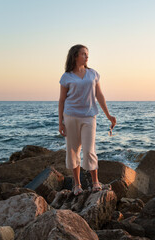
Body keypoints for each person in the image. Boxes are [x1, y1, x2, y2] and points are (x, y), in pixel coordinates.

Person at [58, 44, 116, 195]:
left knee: (89, 150)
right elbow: (62, 100)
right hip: (70, 116)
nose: (86, 56)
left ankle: (95, 181)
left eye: (87, 54)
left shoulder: (93, 74)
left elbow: (100, 95)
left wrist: (108, 115)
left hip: (89, 116)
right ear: (75, 56)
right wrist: (60, 122)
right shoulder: (66, 77)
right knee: (72, 151)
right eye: (83, 54)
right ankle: (77, 185)